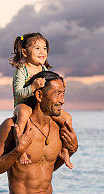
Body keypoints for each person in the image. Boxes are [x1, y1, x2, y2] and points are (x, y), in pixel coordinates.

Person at [10, 33, 74, 169]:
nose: (42, 52)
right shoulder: (22, 70)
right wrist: (33, 87)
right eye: (37, 48)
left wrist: (60, 85)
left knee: (67, 117)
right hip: (24, 104)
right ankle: (21, 149)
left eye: (45, 48)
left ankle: (64, 149)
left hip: (41, 106)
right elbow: (19, 93)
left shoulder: (44, 69)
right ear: (25, 52)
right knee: (23, 115)